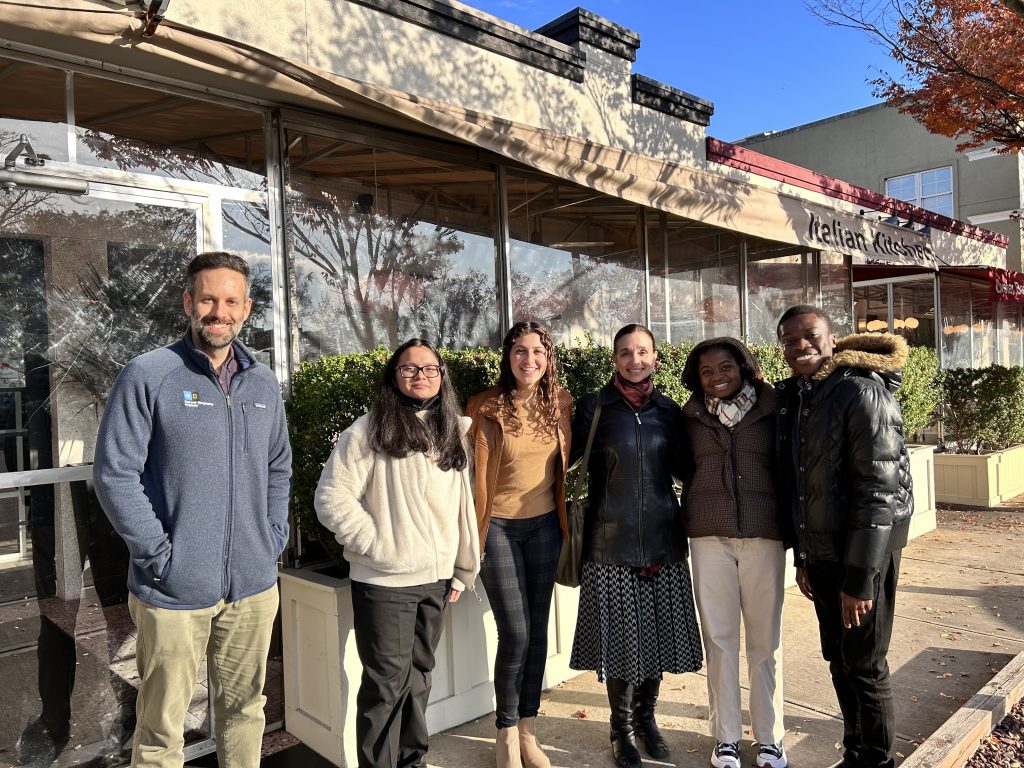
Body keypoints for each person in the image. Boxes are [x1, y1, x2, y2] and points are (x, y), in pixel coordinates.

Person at [93, 251, 293, 768]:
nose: (218, 311)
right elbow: (115, 474)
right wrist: (161, 556)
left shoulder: (263, 383)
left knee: (246, 711)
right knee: (162, 727)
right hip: (171, 592)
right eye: (207, 298)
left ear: (246, 309)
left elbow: (278, 469)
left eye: (230, 301)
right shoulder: (149, 374)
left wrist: (271, 539)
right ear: (188, 302)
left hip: (252, 587)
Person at [314, 338, 480, 768]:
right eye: (409, 369)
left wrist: (460, 569)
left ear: (442, 377)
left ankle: (412, 760)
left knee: (419, 678)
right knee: (385, 685)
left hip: (437, 580)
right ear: (394, 376)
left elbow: (461, 508)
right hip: (385, 582)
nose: (420, 376)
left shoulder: (453, 431)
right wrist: (380, 546)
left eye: (429, 368)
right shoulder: (368, 430)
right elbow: (331, 499)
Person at [775, 305, 912, 768]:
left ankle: (877, 760)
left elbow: (879, 492)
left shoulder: (860, 392)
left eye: (809, 335)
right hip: (824, 554)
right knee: (839, 658)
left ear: (832, 339)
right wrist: (805, 559)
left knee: (866, 666)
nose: (800, 345)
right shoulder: (803, 396)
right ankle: (855, 752)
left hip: (862, 557)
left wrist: (860, 579)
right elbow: (801, 486)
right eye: (789, 339)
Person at [569, 323, 703, 768]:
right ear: (614, 360)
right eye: (625, 353)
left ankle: (647, 719)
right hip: (611, 543)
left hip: (664, 541)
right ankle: (621, 728)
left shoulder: (670, 411)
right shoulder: (594, 407)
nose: (634, 360)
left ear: (655, 359)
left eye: (642, 352)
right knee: (626, 643)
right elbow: (562, 460)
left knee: (658, 637)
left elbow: (688, 470)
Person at [466, 321, 572, 768]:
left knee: (538, 629)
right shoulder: (483, 407)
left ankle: (528, 729)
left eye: (538, 352)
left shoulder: (563, 404)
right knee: (516, 633)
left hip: (546, 527)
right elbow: (463, 476)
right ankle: (505, 733)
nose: (529, 361)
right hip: (500, 530)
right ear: (507, 357)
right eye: (520, 352)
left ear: (548, 359)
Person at [680, 338, 788, 768]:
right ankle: (725, 737)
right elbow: (678, 466)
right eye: (707, 371)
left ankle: (770, 738)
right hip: (708, 537)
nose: (717, 376)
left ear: (743, 366)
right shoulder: (688, 416)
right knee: (720, 641)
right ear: (697, 376)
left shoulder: (773, 407)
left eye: (725, 367)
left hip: (764, 536)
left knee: (766, 642)